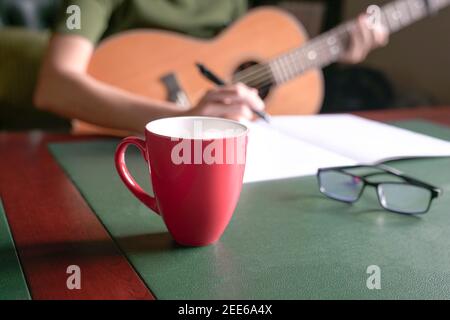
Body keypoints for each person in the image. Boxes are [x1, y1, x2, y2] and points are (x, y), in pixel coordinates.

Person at [33, 0, 388, 134]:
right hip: (118, 149)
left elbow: (239, 65)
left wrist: (335, 52)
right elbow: (56, 85)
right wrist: (184, 119)